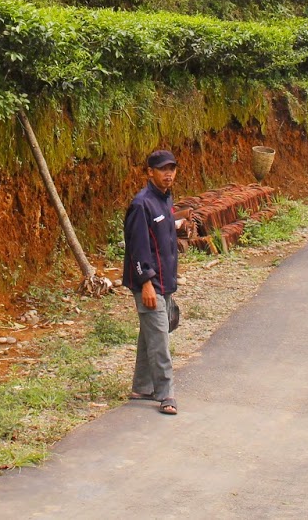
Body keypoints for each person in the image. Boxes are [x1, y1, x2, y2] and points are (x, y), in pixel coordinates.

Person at [122, 148, 180, 415]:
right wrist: (145, 282)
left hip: (165, 281)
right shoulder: (141, 204)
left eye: (172, 169)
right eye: (163, 170)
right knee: (160, 338)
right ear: (150, 172)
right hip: (149, 283)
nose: (168, 174)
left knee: (153, 333)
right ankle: (165, 394)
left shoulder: (165, 200)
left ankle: (142, 387)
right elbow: (137, 247)